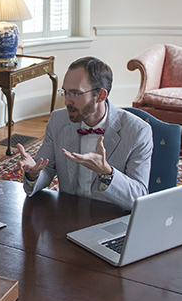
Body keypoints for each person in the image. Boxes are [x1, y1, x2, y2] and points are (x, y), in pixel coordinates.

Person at [17, 57, 153, 210]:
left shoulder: (138, 131)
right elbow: (46, 168)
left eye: (75, 94)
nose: (67, 101)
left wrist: (106, 173)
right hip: (68, 217)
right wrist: (33, 174)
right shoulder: (57, 121)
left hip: (111, 219)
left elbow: (139, 197)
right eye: (65, 92)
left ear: (101, 95)